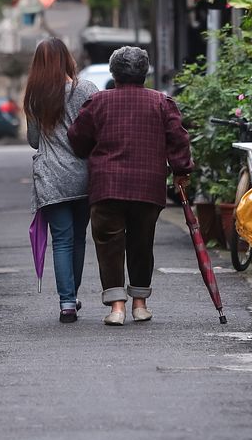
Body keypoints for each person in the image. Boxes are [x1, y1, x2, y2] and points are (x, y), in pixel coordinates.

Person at [67, 46, 192, 326]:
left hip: (107, 185)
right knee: (141, 242)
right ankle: (140, 304)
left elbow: (77, 139)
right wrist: (182, 171)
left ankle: (116, 308)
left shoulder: (97, 102)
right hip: (147, 186)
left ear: (114, 73)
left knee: (109, 244)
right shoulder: (161, 103)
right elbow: (178, 140)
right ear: (145, 73)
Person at [24, 38, 99, 323]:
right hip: (83, 175)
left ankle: (67, 302)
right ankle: (72, 295)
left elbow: (33, 141)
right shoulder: (86, 90)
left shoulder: (34, 97)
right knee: (78, 238)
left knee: (62, 241)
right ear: (67, 58)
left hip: (51, 178)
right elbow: (96, 132)